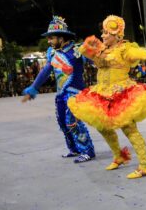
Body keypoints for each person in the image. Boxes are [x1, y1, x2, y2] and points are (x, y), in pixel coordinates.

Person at [68, 15, 146, 179]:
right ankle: (119, 156)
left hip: (121, 94)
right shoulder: (102, 49)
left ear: (117, 35)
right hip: (102, 94)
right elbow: (86, 54)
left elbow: (137, 52)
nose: (102, 36)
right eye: (102, 33)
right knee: (103, 127)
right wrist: (87, 46)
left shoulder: (124, 49)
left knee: (129, 129)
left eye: (106, 33)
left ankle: (144, 165)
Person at [21, 16, 95, 163]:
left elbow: (98, 61)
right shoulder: (52, 53)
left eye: (51, 38)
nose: (49, 41)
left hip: (76, 94)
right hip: (61, 95)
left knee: (72, 122)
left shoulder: (78, 50)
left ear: (61, 38)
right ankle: (74, 149)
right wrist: (33, 88)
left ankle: (87, 151)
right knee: (62, 121)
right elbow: (45, 72)